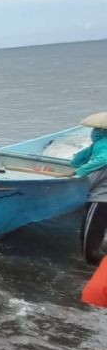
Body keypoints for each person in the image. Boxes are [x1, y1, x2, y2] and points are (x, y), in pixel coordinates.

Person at [72, 112, 107, 265]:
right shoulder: (99, 148)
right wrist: (92, 148)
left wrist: (78, 173)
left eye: (97, 129)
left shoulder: (103, 152)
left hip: (100, 201)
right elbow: (76, 161)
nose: (94, 132)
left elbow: (89, 178)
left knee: (89, 252)